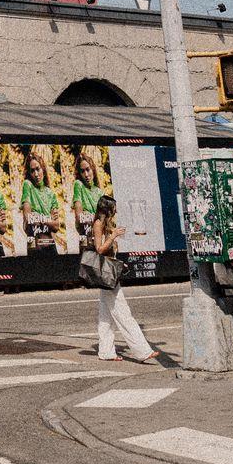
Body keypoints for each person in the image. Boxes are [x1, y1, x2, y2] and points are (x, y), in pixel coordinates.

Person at [91, 194, 158, 363]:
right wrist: (112, 236)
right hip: (106, 276)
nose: (116, 210)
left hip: (110, 273)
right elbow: (99, 250)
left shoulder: (107, 224)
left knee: (106, 317)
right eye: (113, 207)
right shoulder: (98, 224)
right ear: (106, 208)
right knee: (123, 314)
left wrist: (120, 264)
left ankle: (106, 352)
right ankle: (142, 351)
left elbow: (109, 253)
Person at [21, 150, 62, 253]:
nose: (36, 174)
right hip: (34, 246)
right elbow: (29, 218)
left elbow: (56, 226)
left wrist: (38, 218)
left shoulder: (50, 193)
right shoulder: (28, 185)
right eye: (32, 170)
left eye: (38, 169)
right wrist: (48, 219)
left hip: (51, 246)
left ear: (42, 168)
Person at [71, 151, 104, 246]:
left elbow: (105, 221)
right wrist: (97, 218)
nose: (86, 174)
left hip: (99, 242)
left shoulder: (99, 192)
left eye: (88, 169)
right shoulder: (79, 185)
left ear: (93, 169)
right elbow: (79, 217)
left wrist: (90, 216)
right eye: (82, 171)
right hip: (85, 242)